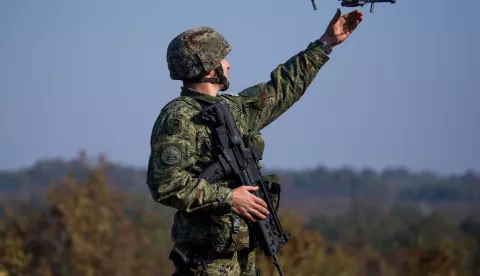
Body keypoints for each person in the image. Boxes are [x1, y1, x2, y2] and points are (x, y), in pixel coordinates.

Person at [147, 8, 364, 276]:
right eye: (223, 59)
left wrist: (326, 43)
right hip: (206, 264)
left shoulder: (232, 109)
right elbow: (165, 184)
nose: (228, 65)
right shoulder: (178, 117)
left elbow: (282, 87)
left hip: (243, 260)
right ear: (208, 67)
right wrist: (229, 198)